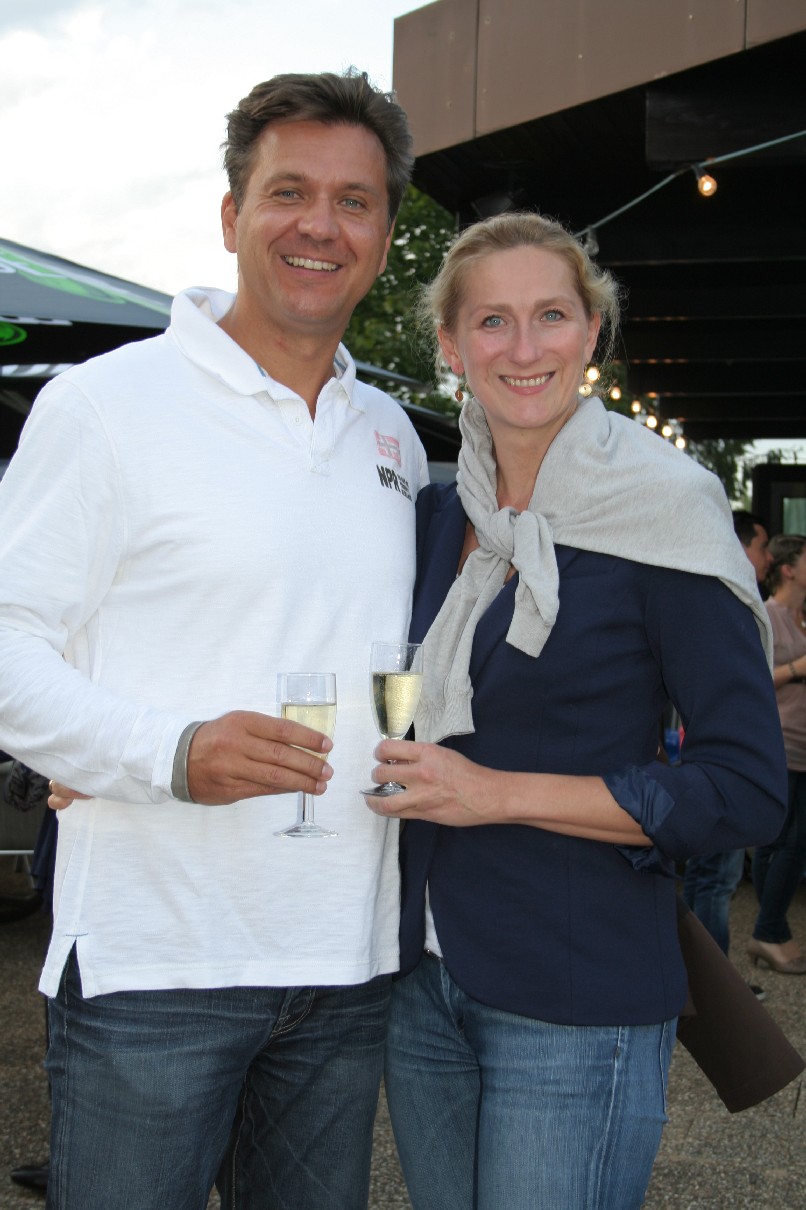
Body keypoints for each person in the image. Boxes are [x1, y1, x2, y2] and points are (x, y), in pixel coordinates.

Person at [0, 69, 427, 1210]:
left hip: (344, 965)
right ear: (232, 214)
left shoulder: (388, 432)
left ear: (384, 238)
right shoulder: (104, 405)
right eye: (289, 192)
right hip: (155, 963)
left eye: (353, 201)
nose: (319, 225)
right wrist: (168, 751)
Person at [364, 212, 787, 1210]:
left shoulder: (664, 509)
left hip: (577, 988)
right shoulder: (437, 516)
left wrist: (497, 792)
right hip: (421, 978)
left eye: (550, 315)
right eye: (491, 321)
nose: (523, 348)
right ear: (450, 345)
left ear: (591, 331)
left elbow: (744, 788)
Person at [681, 509, 773, 980]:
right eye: (761, 547)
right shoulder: (723, 597)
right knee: (717, 879)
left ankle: (700, 980)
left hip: (704, 758)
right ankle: (713, 984)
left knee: (707, 878)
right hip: (717, 760)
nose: (767, 558)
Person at [747, 534, 806, 975]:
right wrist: (798, 668)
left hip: (803, 747)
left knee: (784, 844)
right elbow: (753, 679)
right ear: (788, 569)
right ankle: (769, 931)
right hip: (781, 743)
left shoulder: (802, 618)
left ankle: (772, 930)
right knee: (788, 844)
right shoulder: (767, 614)